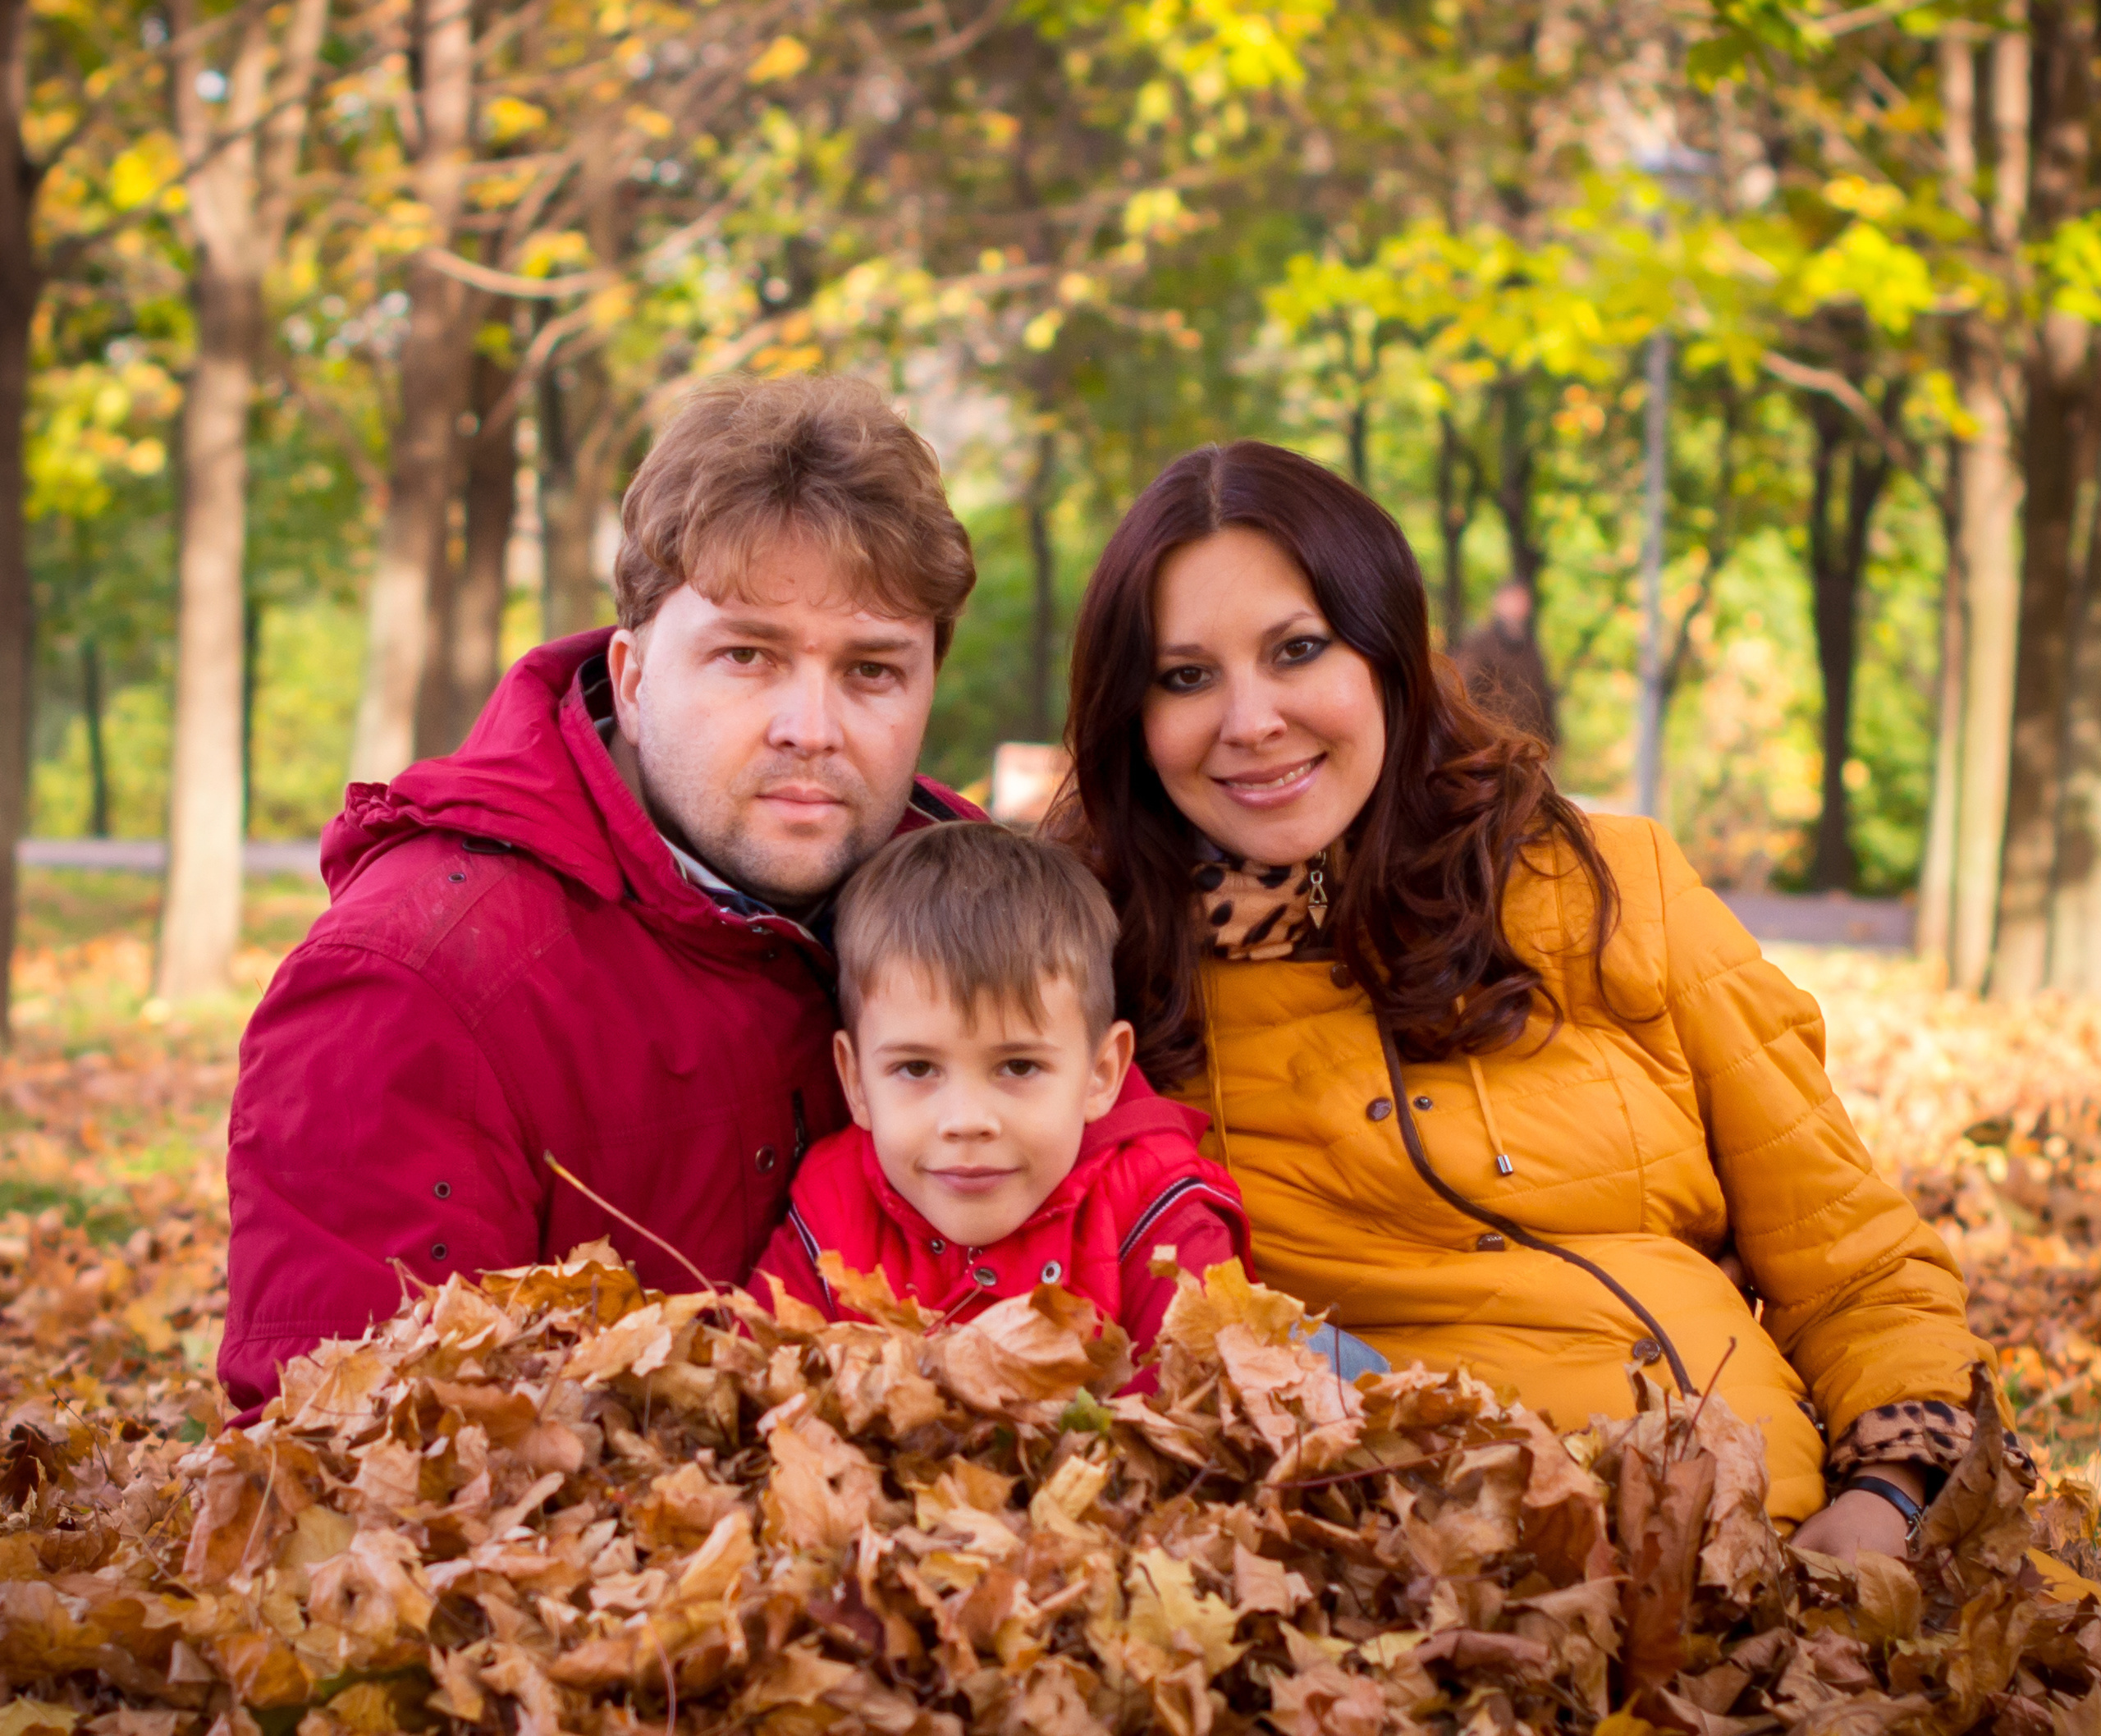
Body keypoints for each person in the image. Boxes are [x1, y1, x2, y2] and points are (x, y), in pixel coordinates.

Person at [1051, 438, 2014, 1560]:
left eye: (1298, 648)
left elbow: (1856, 1260)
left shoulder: (1612, 887)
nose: (1250, 716)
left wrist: (1887, 1495)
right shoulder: (1094, 979)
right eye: (1185, 675)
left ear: (1389, 657)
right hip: (1414, 1591)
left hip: (1785, 1546)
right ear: (1133, 716)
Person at [220, 374, 982, 1417]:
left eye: (871, 672)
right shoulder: (412, 982)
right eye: (747, 656)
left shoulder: (980, 908)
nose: (811, 726)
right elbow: (346, 1484)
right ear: (631, 675)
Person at [755, 822, 1249, 1351]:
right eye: (917, 1069)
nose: (967, 1120)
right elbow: (761, 1386)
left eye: (1017, 1067)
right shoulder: (831, 1206)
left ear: (1102, 1073)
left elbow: (1201, 1411)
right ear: (855, 1082)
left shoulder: (1161, 1221)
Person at [1453, 579, 1558, 749]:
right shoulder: (1478, 646)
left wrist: (1553, 739)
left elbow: (1543, 695)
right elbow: (1462, 696)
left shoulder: (1532, 647)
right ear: (1498, 602)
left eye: (1521, 599)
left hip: (1530, 745)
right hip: (1492, 747)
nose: (1517, 606)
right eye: (1512, 599)